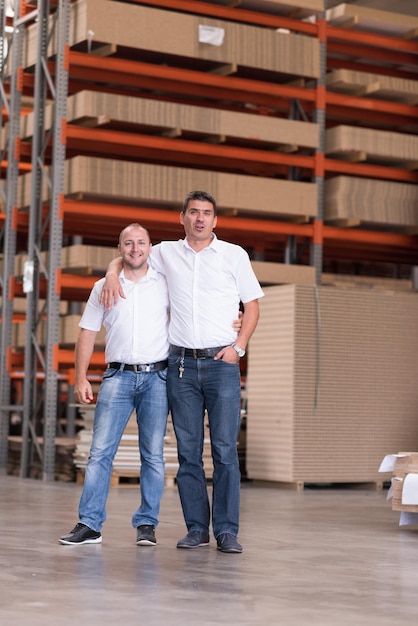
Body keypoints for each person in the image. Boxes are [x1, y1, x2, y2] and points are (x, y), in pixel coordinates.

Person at [102, 191, 264, 553]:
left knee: (224, 451)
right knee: (188, 453)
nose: (200, 218)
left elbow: (251, 306)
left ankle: (226, 531)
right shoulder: (164, 253)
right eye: (194, 212)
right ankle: (196, 529)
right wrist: (113, 273)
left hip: (222, 364)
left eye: (207, 213)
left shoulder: (234, 255)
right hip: (180, 367)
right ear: (183, 218)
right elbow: (130, 253)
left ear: (215, 221)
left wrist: (238, 347)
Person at [59, 223, 170, 546]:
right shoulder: (102, 288)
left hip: (157, 378)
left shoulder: (165, 284)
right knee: (99, 454)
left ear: (150, 247)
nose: (135, 249)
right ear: (119, 249)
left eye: (141, 243)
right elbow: (87, 333)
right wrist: (81, 377)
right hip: (117, 377)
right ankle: (89, 524)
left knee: (153, 455)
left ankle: (147, 524)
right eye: (128, 244)